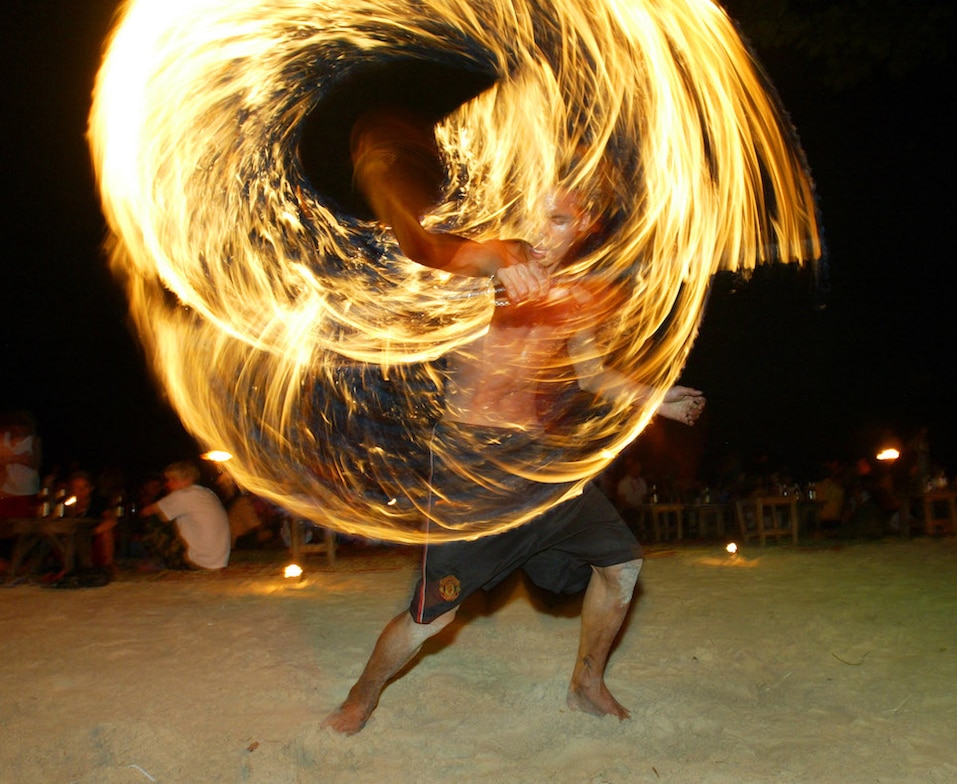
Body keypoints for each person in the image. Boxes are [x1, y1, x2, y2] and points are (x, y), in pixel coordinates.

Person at [323, 112, 705, 735]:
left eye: (558, 220)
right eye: (534, 215)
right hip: (471, 463)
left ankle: (587, 684)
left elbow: (593, 378)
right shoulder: (491, 263)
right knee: (431, 615)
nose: (540, 231)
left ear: (583, 226)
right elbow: (423, 248)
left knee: (622, 565)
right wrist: (491, 255)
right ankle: (360, 699)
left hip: (542, 466)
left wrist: (655, 398)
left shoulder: (576, 297)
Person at [140, 461, 230, 570]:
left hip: (199, 561)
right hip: (218, 560)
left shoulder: (183, 495)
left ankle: (156, 561)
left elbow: (146, 512)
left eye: (173, 480)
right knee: (170, 514)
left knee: (155, 519)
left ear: (187, 479)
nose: (168, 484)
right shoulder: (207, 492)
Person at [0, 410, 42, 520]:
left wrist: (9, 458)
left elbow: (35, 463)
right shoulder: (3, 437)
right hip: (5, 490)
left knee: (24, 525)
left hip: (26, 491)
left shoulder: (33, 440)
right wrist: (19, 458)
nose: (19, 429)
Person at [615, 457, 649, 536]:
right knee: (631, 516)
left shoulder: (641, 481)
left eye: (639, 468)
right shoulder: (623, 483)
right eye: (636, 468)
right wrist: (633, 506)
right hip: (629, 510)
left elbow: (644, 496)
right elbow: (622, 500)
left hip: (640, 508)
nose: (638, 470)